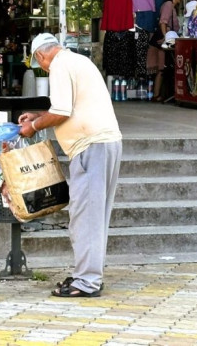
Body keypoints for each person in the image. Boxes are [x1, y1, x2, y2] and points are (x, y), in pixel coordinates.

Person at [18, 33, 122, 298]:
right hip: (106, 143)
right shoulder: (78, 60)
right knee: (95, 216)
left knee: (85, 217)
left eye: (38, 62)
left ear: (41, 55)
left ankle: (86, 282)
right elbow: (69, 109)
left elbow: (62, 111)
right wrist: (40, 116)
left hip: (91, 147)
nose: (41, 67)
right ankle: (89, 276)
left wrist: (33, 126)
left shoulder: (59, 66)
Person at [146, 0, 182, 101]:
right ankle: (157, 95)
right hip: (163, 41)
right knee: (161, 68)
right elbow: (163, 21)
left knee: (162, 68)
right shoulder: (168, 5)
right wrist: (166, 37)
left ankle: (159, 94)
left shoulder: (170, 6)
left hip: (164, 39)